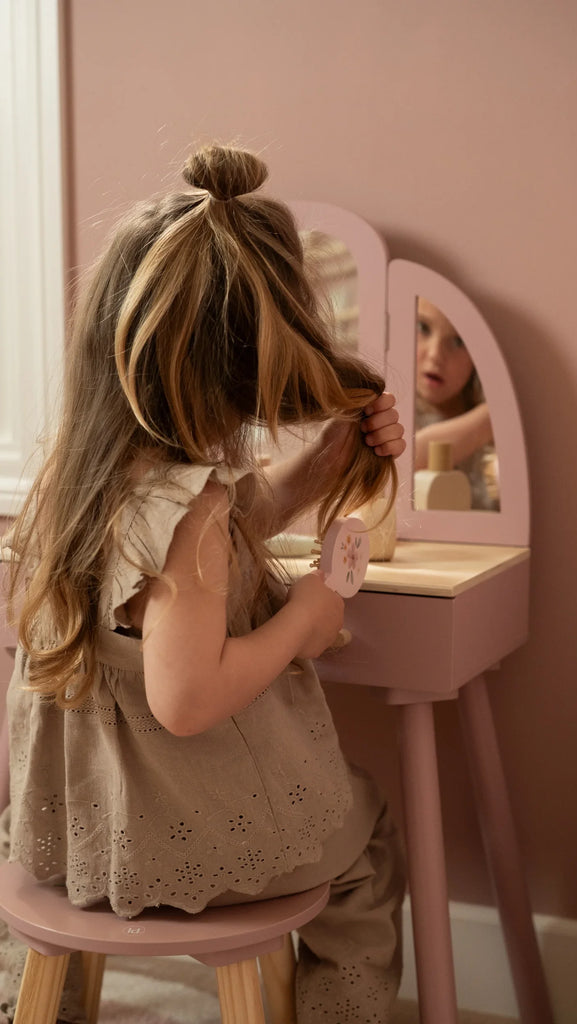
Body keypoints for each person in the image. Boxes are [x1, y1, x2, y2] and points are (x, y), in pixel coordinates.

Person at [0, 144, 407, 1024]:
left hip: (78, 838)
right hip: (178, 840)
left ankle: (37, 1001)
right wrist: (306, 617)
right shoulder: (194, 514)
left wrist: (303, 480)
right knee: (365, 830)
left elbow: (175, 581)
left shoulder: (81, 481)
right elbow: (186, 699)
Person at [413, 297, 499, 510]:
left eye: (459, 341)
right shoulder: (394, 412)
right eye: (423, 327)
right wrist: (494, 417)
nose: (435, 355)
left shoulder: (493, 443)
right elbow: (405, 461)